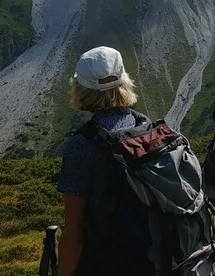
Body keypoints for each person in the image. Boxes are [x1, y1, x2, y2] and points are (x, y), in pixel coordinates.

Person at [55, 45, 150, 276]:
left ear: (81, 89)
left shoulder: (82, 146)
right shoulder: (146, 127)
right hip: (154, 261)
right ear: (124, 82)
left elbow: (73, 237)